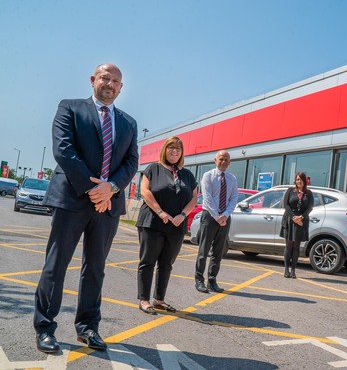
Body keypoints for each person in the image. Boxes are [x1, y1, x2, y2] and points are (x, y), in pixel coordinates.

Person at [34, 63, 138, 353]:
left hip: (109, 205)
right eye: (105, 78)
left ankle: (88, 328)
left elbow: (131, 163)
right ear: (93, 80)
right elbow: (63, 149)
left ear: (121, 88)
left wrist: (111, 188)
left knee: (95, 269)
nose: (110, 84)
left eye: (116, 81)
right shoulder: (70, 107)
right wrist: (95, 189)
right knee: (56, 265)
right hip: (72, 199)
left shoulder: (129, 123)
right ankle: (45, 327)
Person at [136, 136, 198, 315]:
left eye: (178, 149)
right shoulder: (153, 169)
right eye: (171, 148)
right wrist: (160, 212)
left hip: (176, 225)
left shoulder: (187, 174)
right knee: (147, 262)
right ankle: (144, 299)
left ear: (181, 153)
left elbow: (194, 198)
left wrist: (183, 215)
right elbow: (145, 191)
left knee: (166, 264)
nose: (174, 151)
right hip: (153, 222)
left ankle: (160, 299)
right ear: (165, 150)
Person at [194, 150, 238, 293]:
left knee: (218, 252)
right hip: (210, 216)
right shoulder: (208, 176)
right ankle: (199, 280)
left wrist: (224, 215)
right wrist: (216, 215)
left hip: (225, 218)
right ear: (215, 160)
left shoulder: (232, 178)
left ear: (229, 162)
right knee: (203, 250)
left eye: (226, 159)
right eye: (221, 159)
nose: (223, 161)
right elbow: (207, 198)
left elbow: (233, 199)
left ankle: (212, 281)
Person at [279, 172, 314, 278]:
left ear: (304, 181)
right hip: (289, 220)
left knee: (296, 247)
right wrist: (294, 217)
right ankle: (286, 270)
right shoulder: (290, 191)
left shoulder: (309, 193)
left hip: (301, 221)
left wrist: (301, 217)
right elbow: (286, 205)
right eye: (297, 179)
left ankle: (293, 270)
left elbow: (310, 207)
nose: (299, 181)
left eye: (300, 179)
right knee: (289, 246)